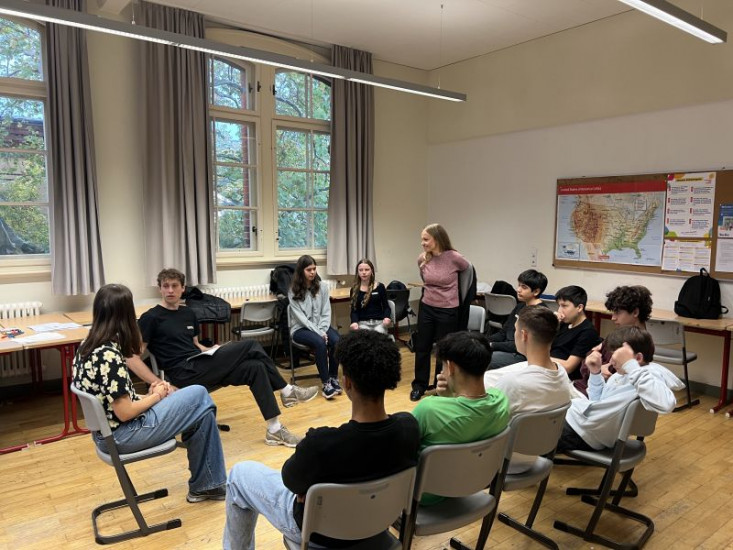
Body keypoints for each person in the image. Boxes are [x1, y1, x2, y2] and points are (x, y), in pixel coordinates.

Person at [223, 330, 420, 550]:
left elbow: (291, 481)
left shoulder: (321, 444)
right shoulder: (409, 427)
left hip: (319, 534)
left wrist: (308, 491)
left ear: (347, 383)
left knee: (239, 475)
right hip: (377, 523)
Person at [126, 268, 317, 449]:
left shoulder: (188, 313)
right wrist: (159, 383)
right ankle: (287, 390)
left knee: (255, 367)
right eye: (166, 286)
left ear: (183, 288)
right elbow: (131, 357)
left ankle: (274, 429)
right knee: (251, 345)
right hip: (183, 373)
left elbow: (195, 345)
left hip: (202, 364)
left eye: (174, 285)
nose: (170, 290)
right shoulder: (151, 317)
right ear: (159, 289)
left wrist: (213, 350)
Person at [72, 284, 227, 503]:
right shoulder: (109, 355)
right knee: (200, 394)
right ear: (126, 315)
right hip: (124, 436)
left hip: (106, 434)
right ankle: (206, 485)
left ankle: (208, 486)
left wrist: (148, 396)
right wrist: (157, 396)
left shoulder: (86, 346)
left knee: (201, 412)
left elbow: (110, 401)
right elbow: (125, 412)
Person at [413, 331, 510, 504]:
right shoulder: (501, 402)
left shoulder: (428, 410)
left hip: (425, 495)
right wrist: (450, 397)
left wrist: (444, 398)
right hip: (471, 487)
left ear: (450, 367)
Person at [557, 326, 682, 454]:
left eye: (616, 357)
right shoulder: (621, 375)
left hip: (581, 432)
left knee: (543, 427)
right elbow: (598, 401)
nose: (611, 362)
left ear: (638, 358)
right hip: (581, 424)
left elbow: (667, 404)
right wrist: (595, 373)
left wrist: (631, 366)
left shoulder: (649, 375)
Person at [482, 306, 577, 472]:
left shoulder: (513, 382)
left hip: (501, 462)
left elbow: (484, 423)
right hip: (535, 456)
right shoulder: (561, 373)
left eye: (515, 330)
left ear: (524, 335)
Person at [411, 223, 470, 401]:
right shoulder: (422, 258)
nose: (422, 243)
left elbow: (468, 273)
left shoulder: (455, 258)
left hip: (448, 309)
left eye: (426, 239)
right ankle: (419, 386)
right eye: (422, 239)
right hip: (427, 307)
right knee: (422, 347)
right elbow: (425, 279)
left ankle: (441, 387)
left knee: (442, 351)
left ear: (437, 239)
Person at [574, 285, 654, 395]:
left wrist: (596, 370)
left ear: (635, 312)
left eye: (618, 312)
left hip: (591, 394)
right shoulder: (618, 335)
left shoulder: (637, 346)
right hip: (583, 387)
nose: (613, 318)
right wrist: (595, 366)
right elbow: (588, 363)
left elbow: (607, 376)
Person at [289, 255, 341, 399]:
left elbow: (326, 311)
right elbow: (301, 319)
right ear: (301, 271)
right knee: (319, 343)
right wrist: (319, 333)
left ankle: (333, 377)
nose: (312, 272)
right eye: (308, 270)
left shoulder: (322, 286)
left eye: (314, 269)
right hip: (300, 329)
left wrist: (322, 330)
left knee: (337, 341)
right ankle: (326, 383)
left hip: (321, 326)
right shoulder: (293, 290)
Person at [487, 269, 548, 369]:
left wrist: (492, 345)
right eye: (519, 285)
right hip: (507, 349)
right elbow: (503, 333)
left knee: (479, 358)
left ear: (536, 291)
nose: (518, 290)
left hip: (521, 355)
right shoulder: (520, 306)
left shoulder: (540, 313)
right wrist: (483, 340)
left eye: (524, 287)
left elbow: (523, 345)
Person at [550, 285, 602, 379]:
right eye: (559, 306)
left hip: (563, 377)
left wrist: (540, 359)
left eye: (564, 306)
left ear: (579, 307)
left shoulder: (587, 332)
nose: (559, 310)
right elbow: (544, 346)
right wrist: (552, 325)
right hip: (549, 369)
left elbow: (569, 367)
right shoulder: (563, 323)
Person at [349, 258, 392, 335]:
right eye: (361, 270)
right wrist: (354, 322)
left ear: (372, 271)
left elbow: (386, 307)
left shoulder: (380, 287)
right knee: (365, 339)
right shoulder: (354, 290)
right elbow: (354, 311)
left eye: (367, 270)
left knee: (378, 337)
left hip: (379, 323)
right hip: (363, 323)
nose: (364, 272)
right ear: (357, 272)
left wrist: (387, 317)